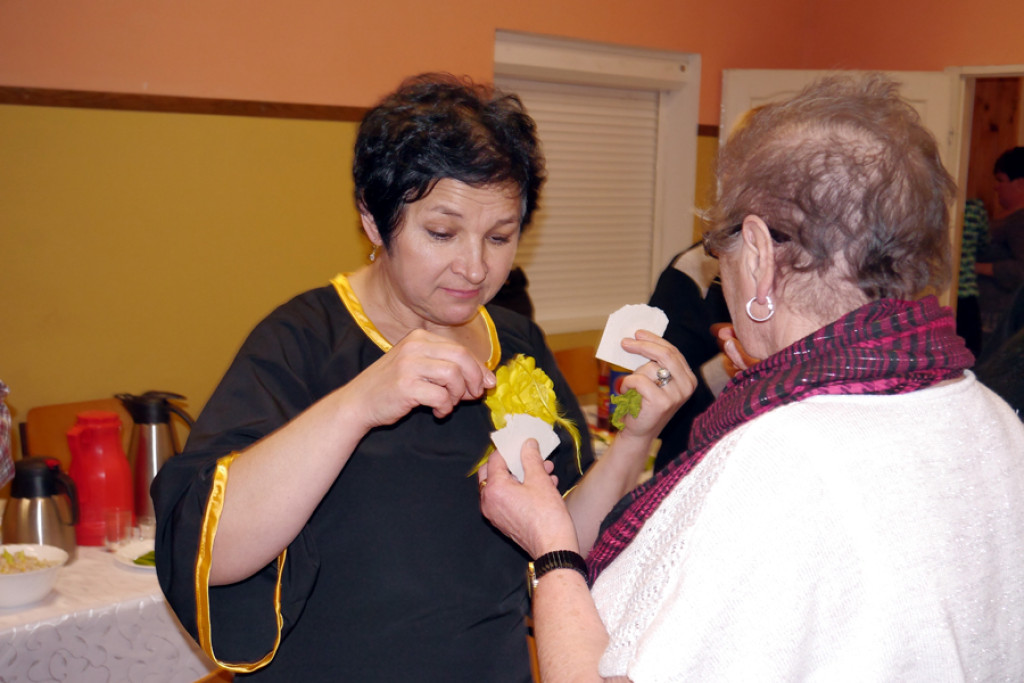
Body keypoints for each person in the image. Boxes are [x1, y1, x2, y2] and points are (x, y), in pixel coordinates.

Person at [478, 73, 1024, 681]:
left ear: (760, 254)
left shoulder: (781, 457)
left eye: (724, 251)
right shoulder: (994, 419)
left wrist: (553, 548)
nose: (723, 278)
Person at [152, 73, 688, 682]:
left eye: (500, 236)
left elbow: (562, 541)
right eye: (441, 232)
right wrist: (359, 402)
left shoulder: (515, 342)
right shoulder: (303, 340)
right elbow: (210, 554)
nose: (474, 266)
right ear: (375, 224)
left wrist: (634, 441)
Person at [977, 146, 1024, 356]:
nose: (995, 187)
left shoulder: (1020, 221)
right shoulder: (1007, 217)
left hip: (999, 320)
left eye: (1001, 180)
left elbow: (1021, 270)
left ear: (1021, 184)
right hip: (987, 315)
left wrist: (974, 267)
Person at [956, 198, 990, 357]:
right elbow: (984, 244)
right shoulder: (976, 209)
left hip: (945, 288)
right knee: (972, 349)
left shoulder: (944, 203)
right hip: (967, 288)